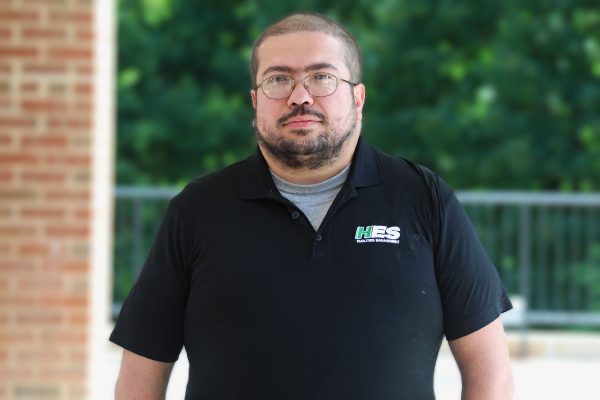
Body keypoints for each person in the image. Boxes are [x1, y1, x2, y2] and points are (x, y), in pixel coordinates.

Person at [111, 12, 514, 400]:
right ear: (255, 101)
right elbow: (139, 376)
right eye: (278, 79)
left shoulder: (423, 198)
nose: (299, 96)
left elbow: (490, 372)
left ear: (358, 97)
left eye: (321, 77)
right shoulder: (197, 209)